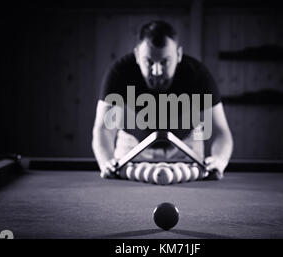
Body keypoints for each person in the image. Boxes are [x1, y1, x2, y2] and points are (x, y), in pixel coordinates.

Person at [92, 20, 233, 180]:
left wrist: (219, 160)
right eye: (149, 62)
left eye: (165, 61)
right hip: (132, 147)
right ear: (137, 55)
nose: (157, 71)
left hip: (186, 148)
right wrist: (107, 162)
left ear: (178, 55)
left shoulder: (197, 75)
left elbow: (220, 130)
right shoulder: (119, 73)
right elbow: (103, 128)